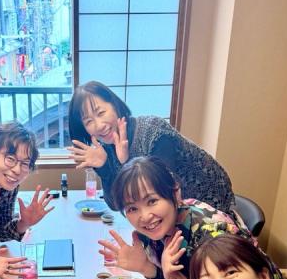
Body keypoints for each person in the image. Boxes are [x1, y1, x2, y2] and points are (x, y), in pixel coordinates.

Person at [98, 157, 284, 279]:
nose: (145, 216)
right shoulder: (155, 231)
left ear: (175, 192)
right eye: (132, 208)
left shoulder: (209, 238)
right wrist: (147, 268)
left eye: (152, 201)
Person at [68, 81, 235, 214]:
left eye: (100, 113)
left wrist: (126, 162)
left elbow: (161, 193)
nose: (99, 125)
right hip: (171, 215)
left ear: (115, 105)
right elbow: (117, 205)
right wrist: (104, 168)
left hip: (209, 206)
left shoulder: (153, 131)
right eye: (88, 121)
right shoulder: (108, 148)